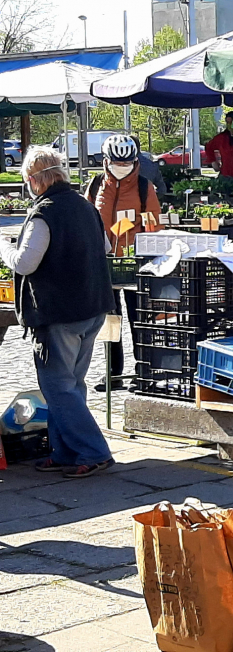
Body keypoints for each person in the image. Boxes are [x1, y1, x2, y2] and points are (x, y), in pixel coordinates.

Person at [0, 146, 116, 478]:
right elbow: (106, 247)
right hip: (91, 307)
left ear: (35, 181)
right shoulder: (84, 205)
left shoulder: (45, 213)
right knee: (71, 385)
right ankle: (66, 451)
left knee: (58, 387)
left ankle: (93, 451)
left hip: (60, 311)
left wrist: (5, 247)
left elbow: (24, 262)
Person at [84, 134, 162, 390]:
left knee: (139, 318)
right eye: (117, 163)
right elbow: (84, 220)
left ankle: (143, 370)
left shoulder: (144, 187)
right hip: (103, 263)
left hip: (134, 263)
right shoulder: (96, 185)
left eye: (126, 163)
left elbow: (153, 226)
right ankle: (112, 371)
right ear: (106, 162)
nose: (121, 168)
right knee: (109, 319)